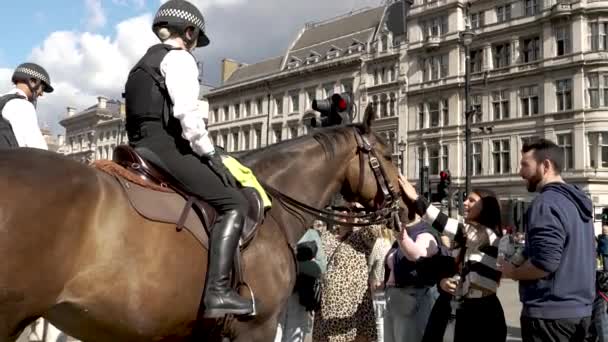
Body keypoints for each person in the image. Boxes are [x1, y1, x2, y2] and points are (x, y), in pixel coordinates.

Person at [123, 0, 252, 317]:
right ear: (190, 31)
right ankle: (218, 292)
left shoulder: (141, 64)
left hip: (137, 146)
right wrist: (212, 156)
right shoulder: (179, 59)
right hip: (164, 147)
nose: (196, 47)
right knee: (234, 202)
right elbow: (187, 117)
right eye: (197, 39)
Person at [499, 138, 596, 342]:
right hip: (580, 313)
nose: (520, 171)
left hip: (549, 316)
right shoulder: (578, 202)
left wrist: (513, 272)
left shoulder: (545, 203)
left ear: (546, 166)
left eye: (525, 165)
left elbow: (546, 262)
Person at [399, 176, 507, 342]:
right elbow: (457, 269)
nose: (464, 203)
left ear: (486, 207)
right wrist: (445, 281)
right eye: (466, 199)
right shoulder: (468, 238)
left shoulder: (489, 236)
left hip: (483, 313)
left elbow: (441, 222)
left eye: (472, 200)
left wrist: (416, 199)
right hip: (461, 308)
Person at [383, 213, 439, 342]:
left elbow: (417, 255)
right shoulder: (404, 234)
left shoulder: (425, 233)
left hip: (411, 297)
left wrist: (402, 237)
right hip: (395, 298)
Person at [0, 63, 53, 149]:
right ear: (32, 82)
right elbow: (38, 150)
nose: (42, 94)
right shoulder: (23, 105)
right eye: (42, 88)